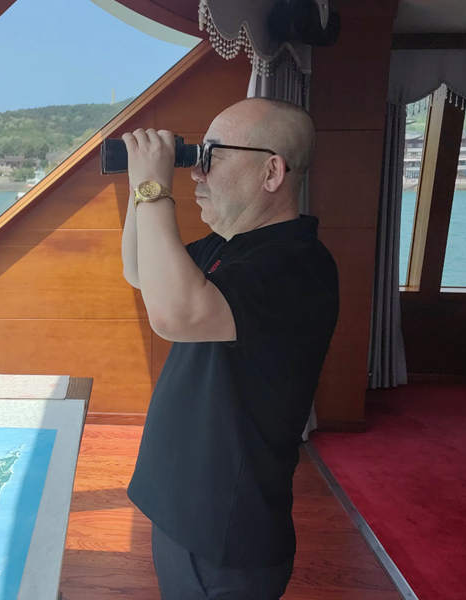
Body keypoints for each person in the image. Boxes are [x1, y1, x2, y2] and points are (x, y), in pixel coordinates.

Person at [120, 98, 339, 600]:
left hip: (224, 535)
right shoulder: (230, 245)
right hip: (188, 512)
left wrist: (155, 188)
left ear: (271, 172)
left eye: (213, 154)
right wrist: (141, 186)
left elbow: (176, 315)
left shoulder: (297, 264)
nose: (197, 171)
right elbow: (140, 271)